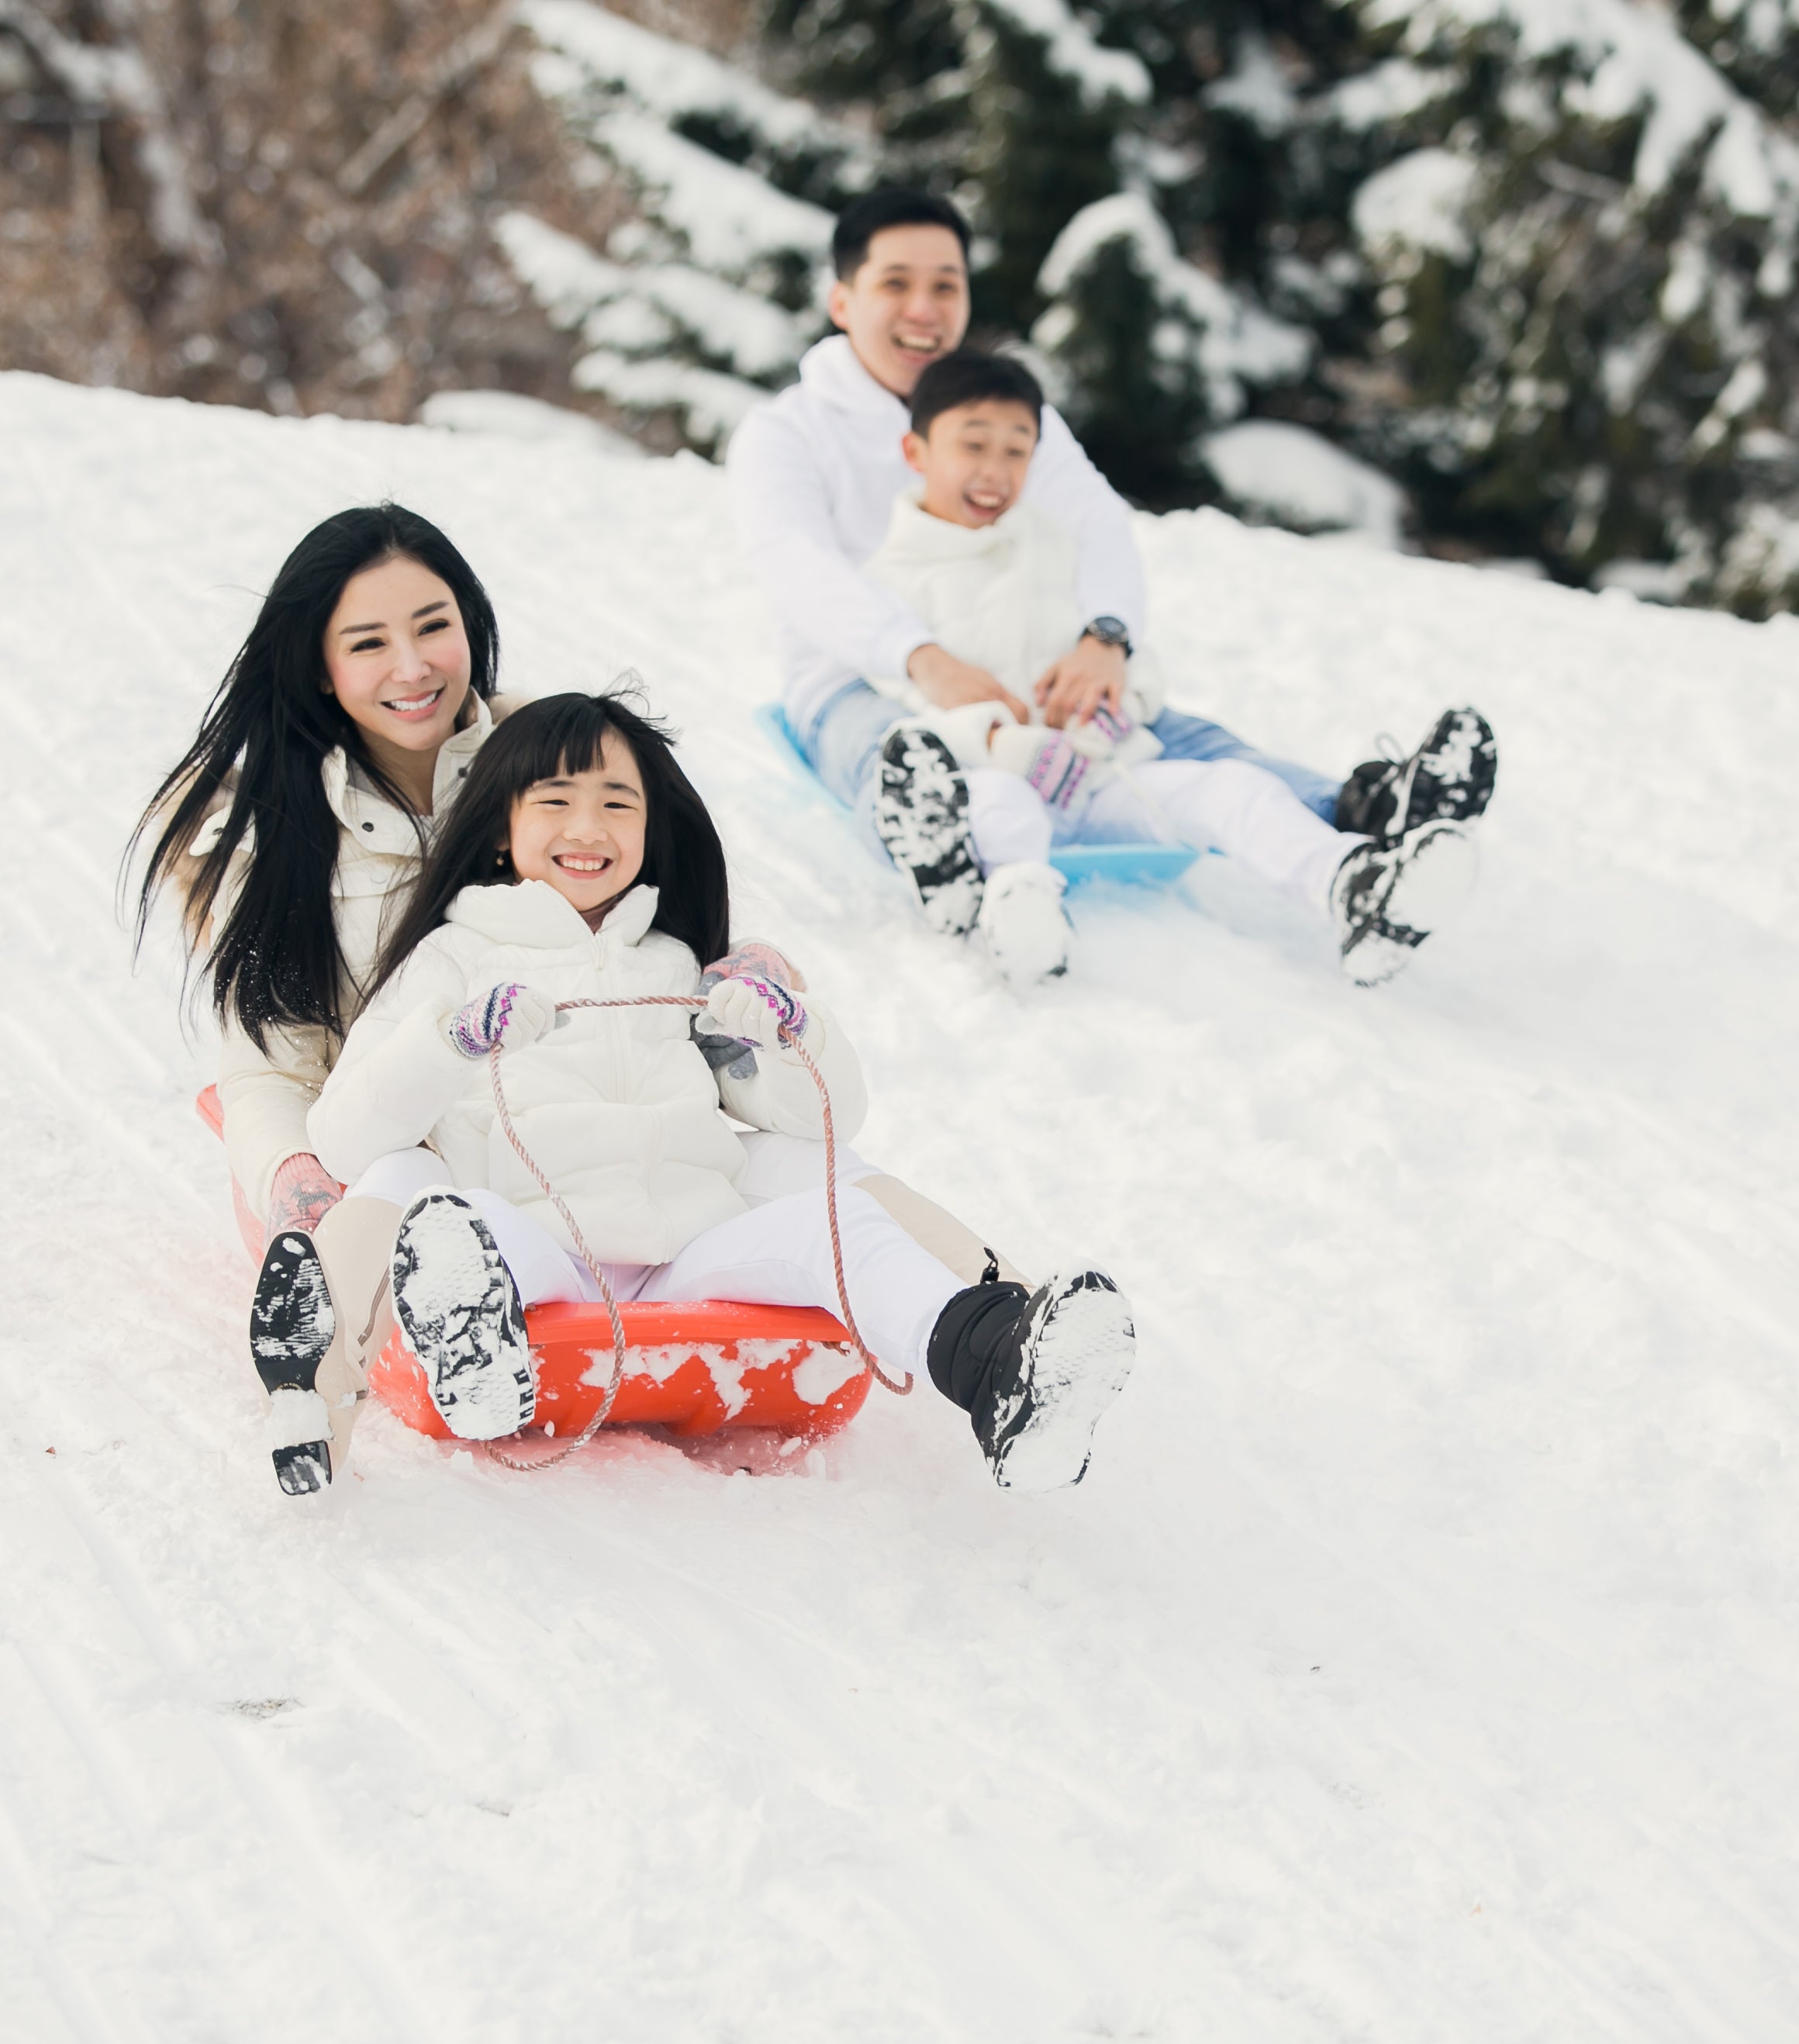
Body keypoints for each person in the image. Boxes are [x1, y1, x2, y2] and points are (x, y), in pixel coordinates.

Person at [130, 505, 1048, 1498]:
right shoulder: (275, 851)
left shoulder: (547, 752)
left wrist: (744, 987)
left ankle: (994, 1320)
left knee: (803, 1160)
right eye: (368, 643)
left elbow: (648, 919)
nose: (412, 666)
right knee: (404, 1185)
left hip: (616, 1132)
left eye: (432, 625)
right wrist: (299, 1181)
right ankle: (334, 1371)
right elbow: (266, 1066)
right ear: (320, 667)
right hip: (441, 1122)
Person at [307, 690, 1137, 1490]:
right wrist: (452, 1041)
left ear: (651, 825)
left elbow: (822, 1125)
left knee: (834, 1221)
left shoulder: (677, 964)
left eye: (617, 804)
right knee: (459, 1226)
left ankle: (994, 1366)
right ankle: (475, 1357)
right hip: (539, 1247)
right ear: (500, 826)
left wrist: (787, 1034)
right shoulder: (452, 959)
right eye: (554, 802)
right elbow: (346, 1134)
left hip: (683, 1258)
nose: (587, 828)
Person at [723, 188, 1497, 958]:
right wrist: (920, 660)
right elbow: (797, 566)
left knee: (1167, 736)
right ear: (842, 299)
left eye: (945, 285)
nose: (923, 308)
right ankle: (947, 856)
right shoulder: (788, 432)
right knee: (897, 759)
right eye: (896, 284)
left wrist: (1106, 637)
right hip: (864, 679)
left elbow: (1095, 522)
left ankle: (1367, 808)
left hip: (1021, 657)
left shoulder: (1001, 409)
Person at [855, 350, 1480, 983]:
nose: (996, 470)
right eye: (974, 445)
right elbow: (894, 717)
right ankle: (1019, 908)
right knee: (998, 807)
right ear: (917, 452)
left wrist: (1115, 702)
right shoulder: (891, 582)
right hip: (994, 779)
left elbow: (1134, 668)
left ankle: (1353, 889)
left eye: (1017, 451)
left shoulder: (1052, 546)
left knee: (1236, 788)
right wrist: (994, 741)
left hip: (1099, 778)